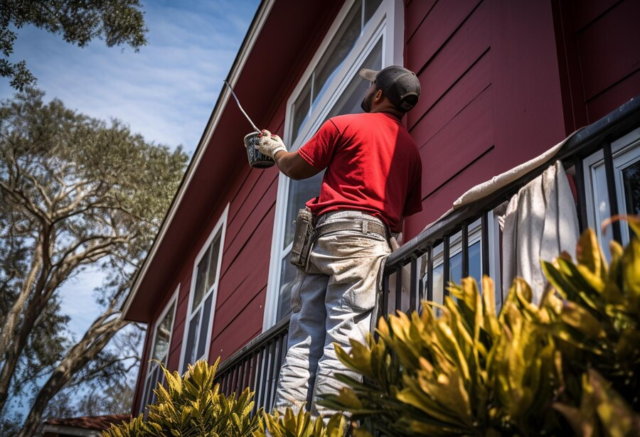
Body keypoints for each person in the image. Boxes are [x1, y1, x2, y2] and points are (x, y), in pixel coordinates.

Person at [258, 65, 423, 419]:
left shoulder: (344, 124)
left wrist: (275, 149)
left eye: (371, 86)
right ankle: (330, 428)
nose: (367, 91)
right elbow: (401, 217)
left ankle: (285, 429)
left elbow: (295, 167)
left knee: (304, 341)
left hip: (325, 234)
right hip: (371, 241)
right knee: (346, 338)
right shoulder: (411, 152)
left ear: (379, 94)